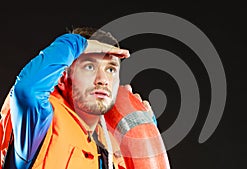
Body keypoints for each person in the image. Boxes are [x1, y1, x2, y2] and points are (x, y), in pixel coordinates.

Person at [0, 27, 160, 169]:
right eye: (89, 66)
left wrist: (145, 131)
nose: (102, 79)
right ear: (63, 78)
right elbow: (27, 90)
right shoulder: (40, 124)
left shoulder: (114, 145)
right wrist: (75, 45)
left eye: (111, 69)